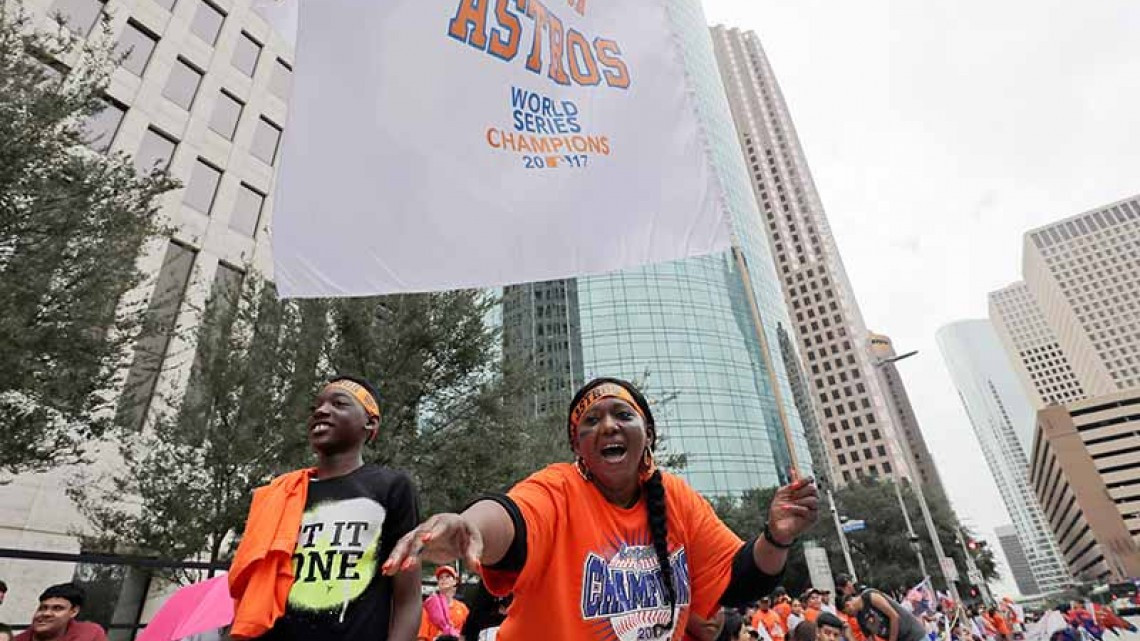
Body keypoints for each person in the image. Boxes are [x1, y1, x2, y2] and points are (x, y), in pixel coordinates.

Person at [382, 377, 820, 641]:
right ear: (578, 446)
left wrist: (777, 535)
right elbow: (513, 519)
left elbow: (738, 580)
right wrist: (467, 525)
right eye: (592, 421)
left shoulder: (675, 497)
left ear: (646, 432)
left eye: (622, 415)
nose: (608, 425)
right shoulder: (558, 488)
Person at [228, 376, 422, 641]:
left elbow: (407, 600)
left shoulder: (392, 488)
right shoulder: (282, 495)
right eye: (316, 406)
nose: (321, 410)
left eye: (339, 403)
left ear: (370, 422)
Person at [13, 583, 106, 641]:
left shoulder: (90, 633)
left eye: (57, 608)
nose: (46, 613)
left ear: (74, 611)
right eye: (43, 608)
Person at [840, 588, 927, 641]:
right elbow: (870, 638)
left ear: (848, 605)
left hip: (912, 634)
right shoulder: (860, 618)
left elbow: (894, 616)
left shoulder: (869, 596)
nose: (850, 616)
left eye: (847, 613)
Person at [418, 566, 469, 641]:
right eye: (440, 578)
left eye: (448, 576)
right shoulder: (428, 607)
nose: (444, 579)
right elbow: (421, 637)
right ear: (438, 583)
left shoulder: (463, 608)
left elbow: (470, 633)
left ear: (455, 581)